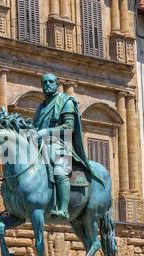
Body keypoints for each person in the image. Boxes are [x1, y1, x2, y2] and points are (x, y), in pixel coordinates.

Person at [33, 73, 102, 219]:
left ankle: (63, 208)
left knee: (59, 170)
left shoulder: (66, 101)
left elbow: (68, 128)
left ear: (57, 84)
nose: (47, 85)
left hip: (60, 144)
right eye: (44, 82)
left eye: (51, 82)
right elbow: (35, 128)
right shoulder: (41, 107)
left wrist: (47, 131)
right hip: (41, 145)